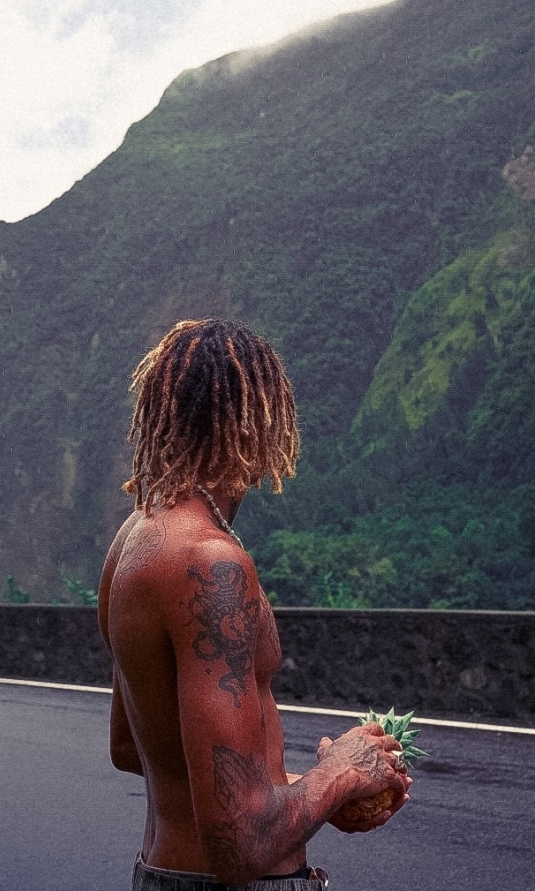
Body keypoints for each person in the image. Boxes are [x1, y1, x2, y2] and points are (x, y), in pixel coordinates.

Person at [98, 319, 410, 891]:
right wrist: (340, 773)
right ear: (259, 423)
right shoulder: (211, 564)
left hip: (161, 872)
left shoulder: (133, 539)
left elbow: (133, 747)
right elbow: (241, 845)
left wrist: (310, 796)